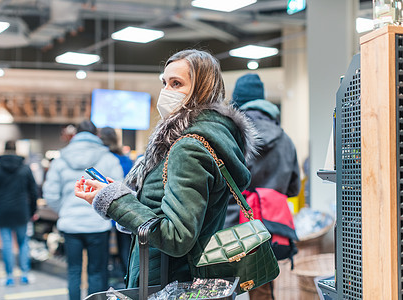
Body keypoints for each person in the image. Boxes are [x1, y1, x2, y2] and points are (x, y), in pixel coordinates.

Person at [75, 49, 258, 289]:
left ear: (201, 89)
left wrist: (115, 201)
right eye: (165, 82)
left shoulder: (188, 148)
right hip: (187, 279)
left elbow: (176, 236)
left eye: (177, 83)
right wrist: (122, 197)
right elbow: (167, 209)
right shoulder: (201, 140)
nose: (166, 91)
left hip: (169, 283)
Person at [226, 73, 301, 300]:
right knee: (262, 287)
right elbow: (293, 188)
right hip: (271, 229)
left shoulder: (232, 134)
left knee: (220, 287)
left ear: (237, 102)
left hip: (232, 229)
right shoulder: (285, 140)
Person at [42, 120, 124, 300]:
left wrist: (64, 210)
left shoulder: (61, 159)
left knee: (73, 271)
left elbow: (50, 193)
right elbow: (118, 190)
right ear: (96, 135)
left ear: (75, 135)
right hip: (98, 224)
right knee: (97, 271)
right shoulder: (108, 158)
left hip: (70, 225)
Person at [0, 141, 38, 287]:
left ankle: (9, 277)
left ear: (4, 149)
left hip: (3, 210)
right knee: (22, 243)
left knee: (7, 243)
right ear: (16, 150)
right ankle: (25, 275)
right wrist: (32, 211)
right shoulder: (25, 169)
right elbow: (33, 192)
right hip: (21, 210)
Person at [100, 126, 133, 273]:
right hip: (124, 207)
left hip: (104, 208)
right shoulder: (125, 159)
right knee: (125, 247)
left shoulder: (103, 159)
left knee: (102, 251)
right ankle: (126, 279)